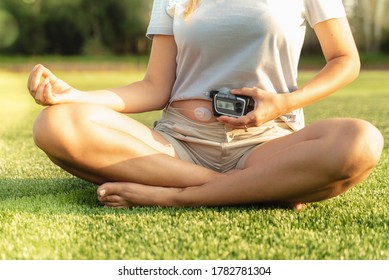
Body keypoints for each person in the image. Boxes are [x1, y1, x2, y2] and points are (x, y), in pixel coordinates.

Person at [27, 0, 383, 209]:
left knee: (361, 141)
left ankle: (173, 197)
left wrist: (284, 102)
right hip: (177, 147)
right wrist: (73, 96)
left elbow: (345, 59)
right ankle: (256, 188)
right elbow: (154, 87)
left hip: (266, 144)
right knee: (54, 125)